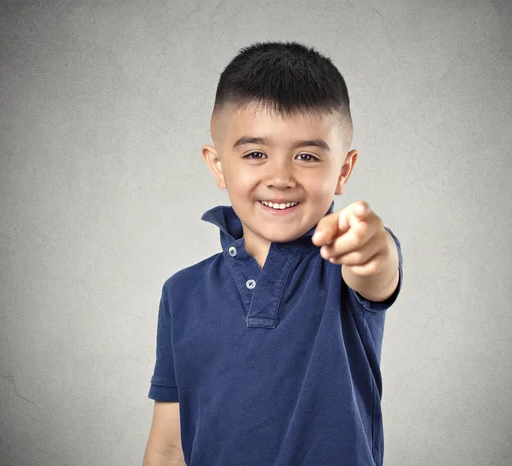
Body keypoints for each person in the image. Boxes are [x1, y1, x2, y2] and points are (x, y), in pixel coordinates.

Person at [142, 40, 403, 466]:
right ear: (217, 164)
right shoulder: (181, 293)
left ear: (344, 170)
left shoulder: (346, 263)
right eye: (256, 154)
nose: (280, 177)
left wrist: (372, 248)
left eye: (306, 156)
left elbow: (377, 270)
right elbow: (168, 447)